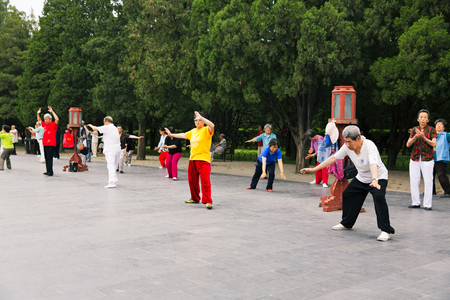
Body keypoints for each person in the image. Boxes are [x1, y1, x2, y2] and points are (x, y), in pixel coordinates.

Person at [300, 125, 395, 242]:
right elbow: (333, 158)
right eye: (345, 141)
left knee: (379, 198)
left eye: (349, 142)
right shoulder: (347, 147)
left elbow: (373, 164)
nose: (347, 145)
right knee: (348, 194)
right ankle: (347, 223)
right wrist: (314, 169)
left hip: (378, 178)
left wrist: (375, 179)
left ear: (358, 139)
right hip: (361, 177)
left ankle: (386, 230)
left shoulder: (369, 145)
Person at [164, 111, 215, 209]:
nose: (197, 122)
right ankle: (195, 198)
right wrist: (171, 134)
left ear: (203, 121)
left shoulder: (206, 130)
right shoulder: (193, 131)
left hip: (203, 159)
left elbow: (212, 125)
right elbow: (183, 135)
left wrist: (201, 117)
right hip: (193, 159)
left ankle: (207, 201)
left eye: (200, 120)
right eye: (196, 120)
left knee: (205, 181)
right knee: (192, 180)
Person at [406, 109, 436, 210]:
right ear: (418, 119)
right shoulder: (414, 130)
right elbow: (408, 144)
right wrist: (415, 137)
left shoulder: (432, 130)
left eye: (425, 117)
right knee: (414, 180)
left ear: (428, 120)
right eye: (421, 117)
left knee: (428, 181)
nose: (423, 119)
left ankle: (427, 204)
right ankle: (415, 202)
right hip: (414, 157)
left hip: (427, 158)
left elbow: (434, 143)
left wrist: (424, 138)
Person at [88, 117, 121, 188]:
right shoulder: (114, 128)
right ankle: (114, 180)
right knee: (114, 166)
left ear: (106, 121)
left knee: (110, 166)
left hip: (110, 150)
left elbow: (95, 128)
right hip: (117, 149)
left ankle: (112, 182)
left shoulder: (107, 127)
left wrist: (90, 125)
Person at [37, 107, 59, 176]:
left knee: (49, 158)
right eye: (45, 119)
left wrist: (52, 112)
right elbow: (39, 120)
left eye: (47, 119)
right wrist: (38, 113)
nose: (45, 120)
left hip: (51, 143)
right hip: (45, 143)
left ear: (50, 119)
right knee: (46, 157)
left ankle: (50, 171)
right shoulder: (44, 125)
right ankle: (48, 170)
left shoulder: (53, 125)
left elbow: (57, 119)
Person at [432, 119, 450, 198]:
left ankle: (448, 191)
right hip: (431, 157)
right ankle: (431, 191)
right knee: (429, 175)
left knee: (441, 175)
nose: (438, 126)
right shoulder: (432, 135)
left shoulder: (446, 135)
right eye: (437, 124)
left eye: (441, 124)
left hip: (441, 158)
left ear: (444, 127)